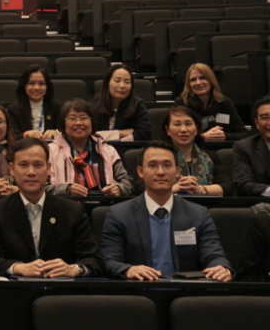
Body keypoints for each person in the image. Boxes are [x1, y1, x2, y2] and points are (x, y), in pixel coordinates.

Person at [100, 142, 232, 281]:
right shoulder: (119, 214)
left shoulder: (198, 214)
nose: (160, 172)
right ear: (140, 171)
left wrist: (220, 266)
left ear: (177, 172)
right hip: (139, 291)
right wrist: (128, 269)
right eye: (152, 165)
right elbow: (109, 260)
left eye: (167, 165)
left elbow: (213, 254)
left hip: (185, 294)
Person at [0, 138, 101, 277]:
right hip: (14, 290)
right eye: (23, 165)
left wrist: (74, 269)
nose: (31, 172)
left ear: (48, 169)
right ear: (12, 169)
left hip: (61, 291)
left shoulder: (72, 210)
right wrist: (18, 268)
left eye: (38, 165)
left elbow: (93, 260)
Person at [47, 98, 130, 199]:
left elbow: (127, 183)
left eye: (83, 118)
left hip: (104, 206)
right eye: (72, 118)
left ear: (92, 121)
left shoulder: (108, 150)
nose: (78, 123)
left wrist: (119, 189)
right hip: (64, 207)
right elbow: (41, 187)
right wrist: (65, 189)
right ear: (63, 123)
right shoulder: (50, 151)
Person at [164, 104, 228, 196]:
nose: (183, 129)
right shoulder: (156, 156)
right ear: (167, 130)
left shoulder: (209, 156)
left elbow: (227, 187)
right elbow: (143, 188)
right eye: (177, 124)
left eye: (188, 124)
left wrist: (201, 189)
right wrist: (175, 188)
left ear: (197, 129)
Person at [178, 63, 245, 141]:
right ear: (188, 84)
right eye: (193, 80)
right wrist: (202, 137)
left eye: (202, 78)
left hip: (222, 148)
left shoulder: (224, 102)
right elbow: (177, 135)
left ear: (211, 80)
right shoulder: (181, 103)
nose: (198, 83)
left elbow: (242, 133)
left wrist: (226, 136)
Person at [90, 64, 151, 141]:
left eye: (127, 82)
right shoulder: (95, 104)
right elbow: (92, 134)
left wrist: (116, 134)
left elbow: (145, 133)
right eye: (117, 81)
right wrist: (129, 132)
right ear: (107, 83)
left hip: (127, 150)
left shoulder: (138, 105)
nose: (122, 86)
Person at [10, 64, 59, 140]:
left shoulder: (56, 107)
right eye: (31, 83)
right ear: (24, 86)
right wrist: (24, 135)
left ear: (47, 87)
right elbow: (11, 135)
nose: (36, 88)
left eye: (41, 84)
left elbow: (64, 131)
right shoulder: (14, 109)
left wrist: (56, 132)